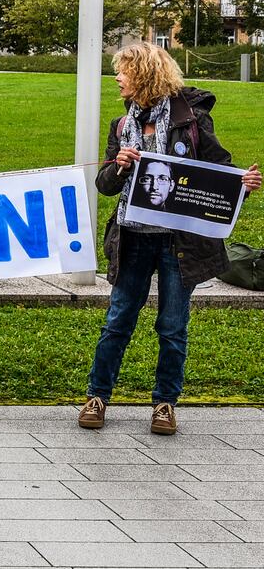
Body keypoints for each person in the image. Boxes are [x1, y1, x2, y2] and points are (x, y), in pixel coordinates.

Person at [80, 42, 260, 436]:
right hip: (133, 237)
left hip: (179, 243)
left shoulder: (192, 120)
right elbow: (105, 185)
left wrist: (243, 185)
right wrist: (120, 167)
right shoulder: (122, 125)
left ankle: (164, 404)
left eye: (123, 70)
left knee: (172, 325)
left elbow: (219, 170)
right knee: (118, 319)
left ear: (144, 74)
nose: (117, 77)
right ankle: (97, 396)